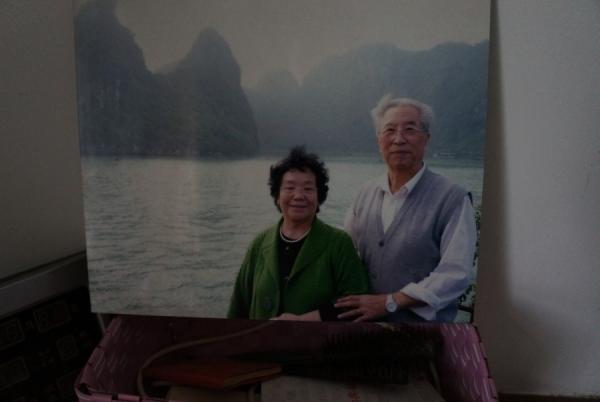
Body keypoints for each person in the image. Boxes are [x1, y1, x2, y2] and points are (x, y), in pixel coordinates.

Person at [335, 95, 477, 323]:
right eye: (389, 130)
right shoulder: (364, 194)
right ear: (379, 140)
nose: (398, 139)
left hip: (422, 336)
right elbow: (346, 253)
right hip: (363, 331)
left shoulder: (452, 198)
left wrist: (391, 302)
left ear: (426, 139)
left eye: (410, 129)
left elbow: (455, 274)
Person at [227, 146, 369, 320]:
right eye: (289, 187)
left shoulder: (339, 244)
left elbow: (356, 304)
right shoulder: (259, 244)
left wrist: (304, 321)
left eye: (308, 189)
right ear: (277, 196)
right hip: (261, 338)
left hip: (317, 338)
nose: (298, 195)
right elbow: (238, 308)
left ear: (319, 196)